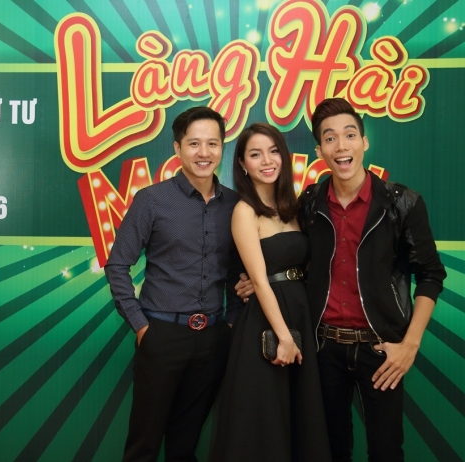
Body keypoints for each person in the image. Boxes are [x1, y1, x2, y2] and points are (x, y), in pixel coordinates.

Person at [236, 98, 446, 461]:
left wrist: (409, 345)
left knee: (385, 450)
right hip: (322, 348)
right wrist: (263, 279)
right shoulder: (310, 203)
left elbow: (430, 275)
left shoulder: (402, 203)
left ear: (364, 142)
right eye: (329, 138)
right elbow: (296, 257)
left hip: (381, 349)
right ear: (320, 151)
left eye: (349, 135)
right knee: (328, 449)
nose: (341, 145)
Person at [104, 106, 240, 462]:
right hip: (161, 334)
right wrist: (141, 326)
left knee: (185, 445)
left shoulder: (235, 205)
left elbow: (238, 273)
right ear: (178, 148)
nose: (204, 152)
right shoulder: (152, 200)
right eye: (194, 143)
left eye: (212, 143)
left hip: (213, 339)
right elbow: (117, 265)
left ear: (222, 147)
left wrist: (230, 324)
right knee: (144, 445)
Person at [210, 123, 331, 462]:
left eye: (273, 151)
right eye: (255, 154)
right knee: (263, 423)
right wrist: (285, 337)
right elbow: (260, 281)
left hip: (301, 314)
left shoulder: (296, 207)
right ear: (242, 164)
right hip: (266, 325)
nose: (267, 160)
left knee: (300, 417)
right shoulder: (244, 211)